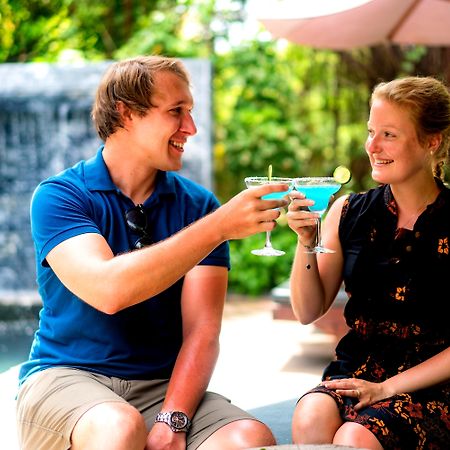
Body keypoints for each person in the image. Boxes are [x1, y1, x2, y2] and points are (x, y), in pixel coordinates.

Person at [16, 55, 287, 450]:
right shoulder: (59, 196)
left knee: (250, 438)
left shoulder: (197, 205)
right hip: (66, 378)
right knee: (119, 428)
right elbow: (109, 291)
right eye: (176, 112)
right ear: (126, 114)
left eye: (190, 112)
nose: (191, 128)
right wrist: (218, 228)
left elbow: (202, 331)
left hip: (161, 388)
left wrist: (173, 420)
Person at [287, 76, 450, 449]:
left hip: (434, 383)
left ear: (431, 141)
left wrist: (387, 389)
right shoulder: (348, 212)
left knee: (355, 436)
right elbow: (307, 310)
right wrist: (306, 241)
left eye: (389, 134)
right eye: (371, 131)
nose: (372, 146)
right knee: (310, 414)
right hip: (357, 369)